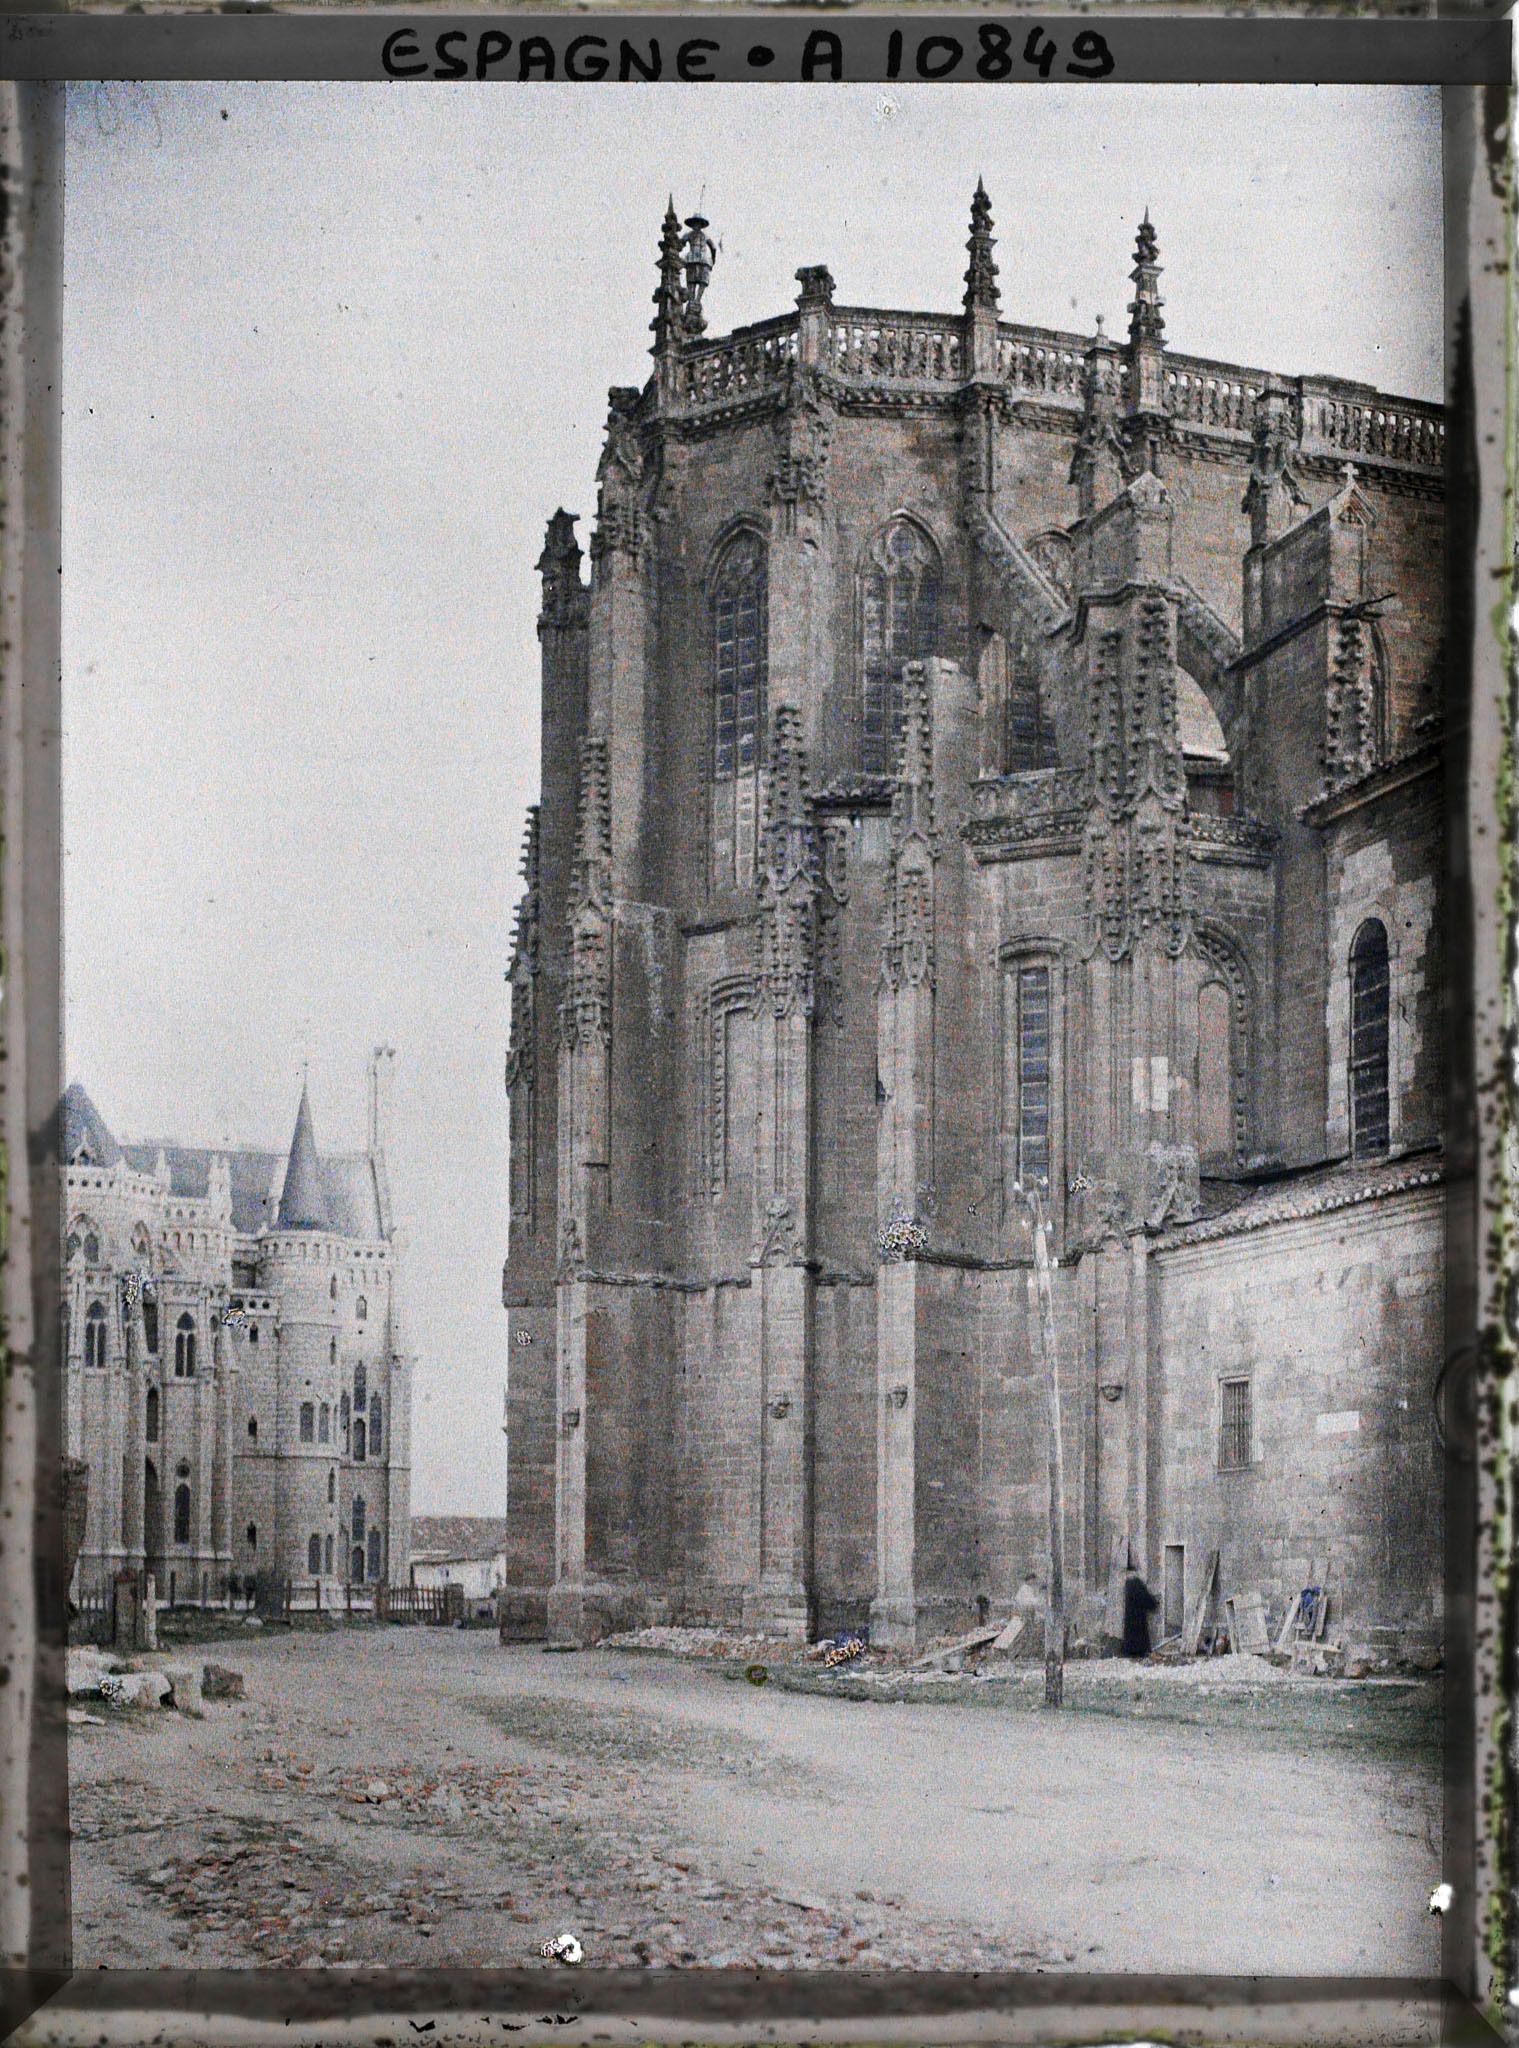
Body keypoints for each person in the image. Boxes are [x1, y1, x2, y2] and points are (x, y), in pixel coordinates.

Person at [1121, 1565, 1158, 1659]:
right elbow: (1145, 1598)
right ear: (1135, 1573)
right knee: (1139, 1634)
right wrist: (1154, 1603)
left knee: (1130, 1633)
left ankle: (1130, 1652)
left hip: (1129, 1616)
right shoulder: (1137, 1583)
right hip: (1138, 1616)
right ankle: (1139, 1652)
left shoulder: (1126, 1585)